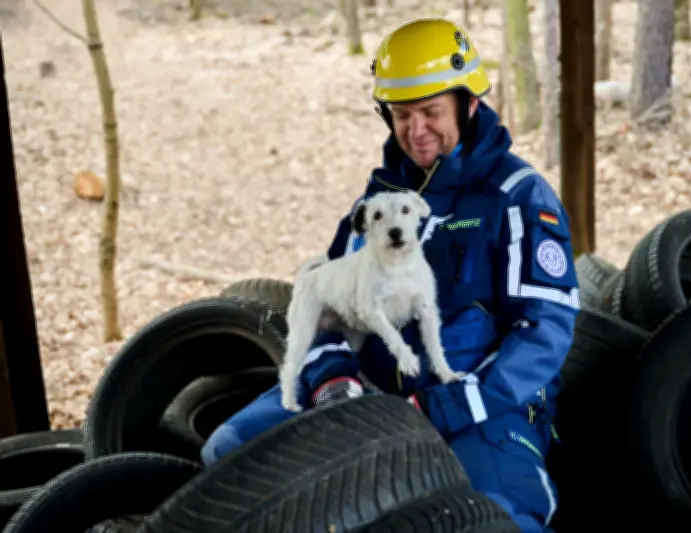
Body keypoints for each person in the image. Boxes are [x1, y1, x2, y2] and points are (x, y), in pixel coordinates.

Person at [201, 17, 579, 533]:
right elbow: (324, 307)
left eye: (430, 112)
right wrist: (331, 379)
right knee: (231, 454)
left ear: (469, 104)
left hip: (482, 407)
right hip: (368, 394)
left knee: (496, 516)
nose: (415, 131)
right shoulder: (373, 203)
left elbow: (545, 332)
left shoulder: (518, 196)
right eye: (401, 115)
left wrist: (453, 404)